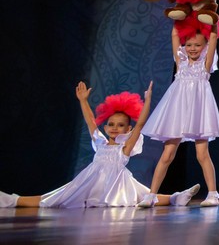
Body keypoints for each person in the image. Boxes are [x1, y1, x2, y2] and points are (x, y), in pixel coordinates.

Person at [0, 82, 200, 208]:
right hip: (90, 181)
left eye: (120, 125)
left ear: (127, 129)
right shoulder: (100, 142)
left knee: (144, 195)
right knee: (56, 198)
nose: (114, 128)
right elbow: (90, 121)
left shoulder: (124, 148)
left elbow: (140, 124)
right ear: (105, 126)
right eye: (111, 124)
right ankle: (12, 200)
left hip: (117, 183)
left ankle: (176, 198)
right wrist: (83, 101)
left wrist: (147, 101)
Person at [138, 25, 219, 207]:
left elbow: (213, 37)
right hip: (177, 112)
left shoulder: (205, 64)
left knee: (202, 154)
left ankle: (212, 194)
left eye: (197, 45)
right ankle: (151, 195)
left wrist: (212, 20)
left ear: (205, 46)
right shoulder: (181, 61)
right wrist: (181, 18)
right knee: (167, 154)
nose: (192, 48)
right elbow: (175, 35)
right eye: (189, 44)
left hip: (198, 112)